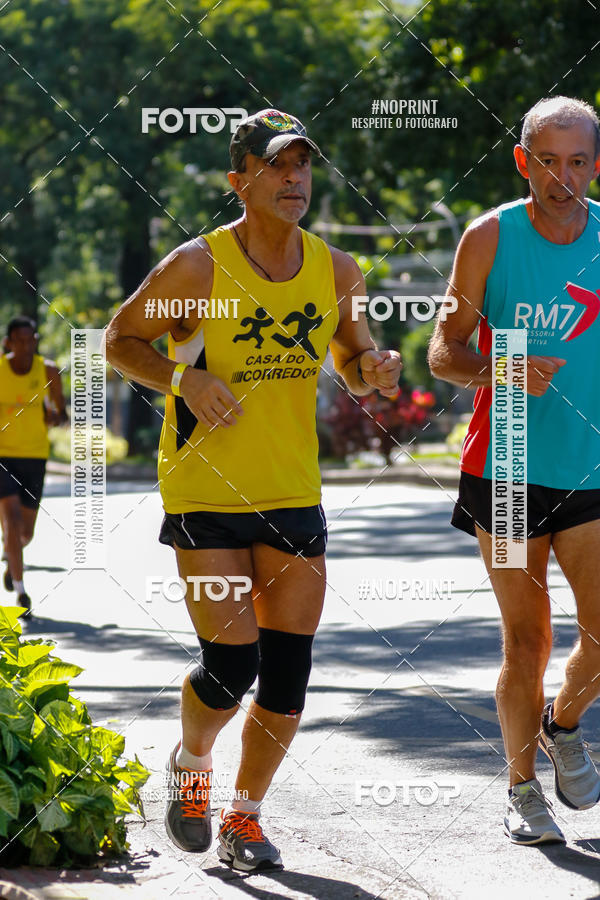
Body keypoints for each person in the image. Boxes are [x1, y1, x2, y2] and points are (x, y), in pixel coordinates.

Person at [105, 108, 402, 872]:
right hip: (205, 490)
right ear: (240, 178)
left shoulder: (335, 268)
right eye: (277, 165)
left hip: (294, 490)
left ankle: (246, 816)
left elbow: (351, 352)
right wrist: (184, 378)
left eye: (302, 164)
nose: (295, 178)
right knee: (230, 666)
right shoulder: (197, 267)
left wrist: (373, 369)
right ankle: (191, 766)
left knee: (289, 673)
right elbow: (119, 339)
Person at [429, 95, 600, 845]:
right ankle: (521, 786)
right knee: (525, 642)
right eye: (548, 161)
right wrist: (503, 365)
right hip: (507, 469)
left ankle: (564, 725)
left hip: (590, 466)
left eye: (579, 162)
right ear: (522, 160)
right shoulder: (488, 237)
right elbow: (443, 352)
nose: (563, 178)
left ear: (596, 164)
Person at [0, 316, 67, 617]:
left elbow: (60, 413)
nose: (26, 346)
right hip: (3, 457)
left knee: (25, 533)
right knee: (11, 520)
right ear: (8, 343)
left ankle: (12, 554)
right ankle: (21, 588)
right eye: (20, 341)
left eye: (31, 340)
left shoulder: (48, 370)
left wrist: (53, 417)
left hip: (35, 457)